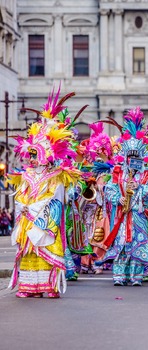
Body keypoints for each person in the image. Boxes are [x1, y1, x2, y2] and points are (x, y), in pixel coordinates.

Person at [8, 87, 80, 298]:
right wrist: (22, 206)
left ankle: (49, 287)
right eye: (29, 154)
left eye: (34, 154)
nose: (31, 159)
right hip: (28, 220)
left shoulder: (56, 175)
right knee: (29, 252)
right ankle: (31, 288)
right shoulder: (26, 175)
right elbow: (21, 193)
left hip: (45, 220)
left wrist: (37, 209)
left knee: (46, 252)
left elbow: (56, 197)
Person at [98, 107, 148, 286]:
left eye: (135, 156)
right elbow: (109, 189)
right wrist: (118, 197)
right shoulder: (117, 173)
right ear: (125, 156)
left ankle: (135, 276)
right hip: (121, 215)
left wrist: (140, 187)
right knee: (121, 245)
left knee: (138, 244)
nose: (132, 160)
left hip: (139, 216)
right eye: (129, 156)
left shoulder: (147, 175)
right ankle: (119, 276)